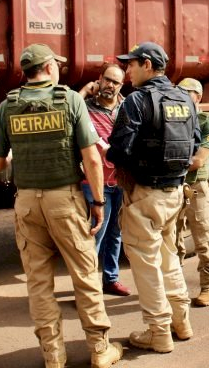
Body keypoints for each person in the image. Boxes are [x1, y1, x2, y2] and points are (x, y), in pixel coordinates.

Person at [0, 43, 122, 368]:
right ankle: (100, 350)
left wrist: (15, 155)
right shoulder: (70, 100)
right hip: (65, 200)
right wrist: (100, 201)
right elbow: (91, 156)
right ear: (48, 67)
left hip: (27, 204)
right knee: (86, 274)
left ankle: (54, 356)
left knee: (38, 282)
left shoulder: (9, 106)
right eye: (57, 64)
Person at [105, 42, 200, 353]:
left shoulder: (136, 101)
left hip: (145, 193)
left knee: (146, 263)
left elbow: (120, 148)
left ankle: (159, 331)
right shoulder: (185, 98)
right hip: (175, 192)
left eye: (130, 64)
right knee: (167, 256)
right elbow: (195, 142)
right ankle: (181, 321)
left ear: (147, 64)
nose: (126, 71)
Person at [78, 62, 132, 297]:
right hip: (95, 184)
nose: (110, 85)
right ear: (98, 79)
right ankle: (86, 288)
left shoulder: (127, 107)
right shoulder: (84, 107)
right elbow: (66, 112)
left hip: (121, 181)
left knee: (115, 233)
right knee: (94, 235)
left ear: (122, 86)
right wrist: (82, 91)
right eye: (106, 79)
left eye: (115, 82)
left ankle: (111, 279)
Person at [175, 77, 209, 307]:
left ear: (198, 96)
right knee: (174, 241)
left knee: (203, 236)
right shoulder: (174, 118)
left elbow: (200, 160)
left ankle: (208, 286)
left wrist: (169, 162)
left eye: (187, 93)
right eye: (179, 92)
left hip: (195, 187)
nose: (182, 96)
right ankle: (177, 287)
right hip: (175, 186)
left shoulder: (206, 122)